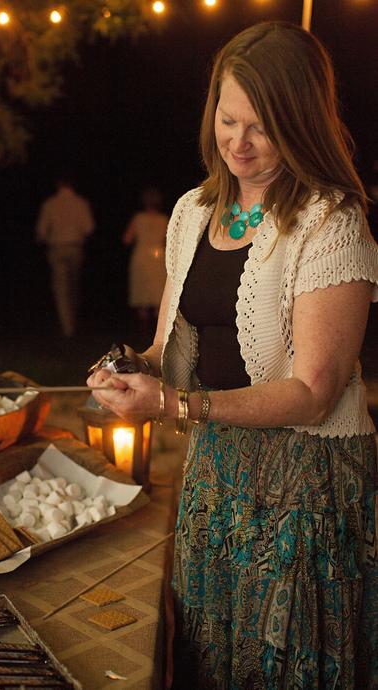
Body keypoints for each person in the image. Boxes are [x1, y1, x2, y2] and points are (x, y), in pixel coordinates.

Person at [87, 21, 378, 689]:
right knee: (212, 655)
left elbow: (313, 391)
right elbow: (171, 348)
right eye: (227, 118)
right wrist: (134, 368)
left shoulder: (332, 222)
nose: (237, 143)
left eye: (260, 126)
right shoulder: (194, 210)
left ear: (300, 122)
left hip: (306, 483)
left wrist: (175, 404)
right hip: (215, 473)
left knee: (283, 662)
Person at [36, 174, 95, 337]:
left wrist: (46, 237)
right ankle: (71, 326)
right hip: (75, 247)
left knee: (62, 288)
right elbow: (89, 228)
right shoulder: (81, 203)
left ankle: (67, 326)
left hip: (57, 248)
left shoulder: (50, 204)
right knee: (73, 286)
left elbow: (41, 231)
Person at [122, 187, 168, 338]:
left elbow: (127, 239)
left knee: (143, 292)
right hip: (158, 256)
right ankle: (157, 333)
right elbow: (167, 240)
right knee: (157, 293)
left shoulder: (138, 218)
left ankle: (144, 332)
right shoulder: (163, 219)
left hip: (141, 256)